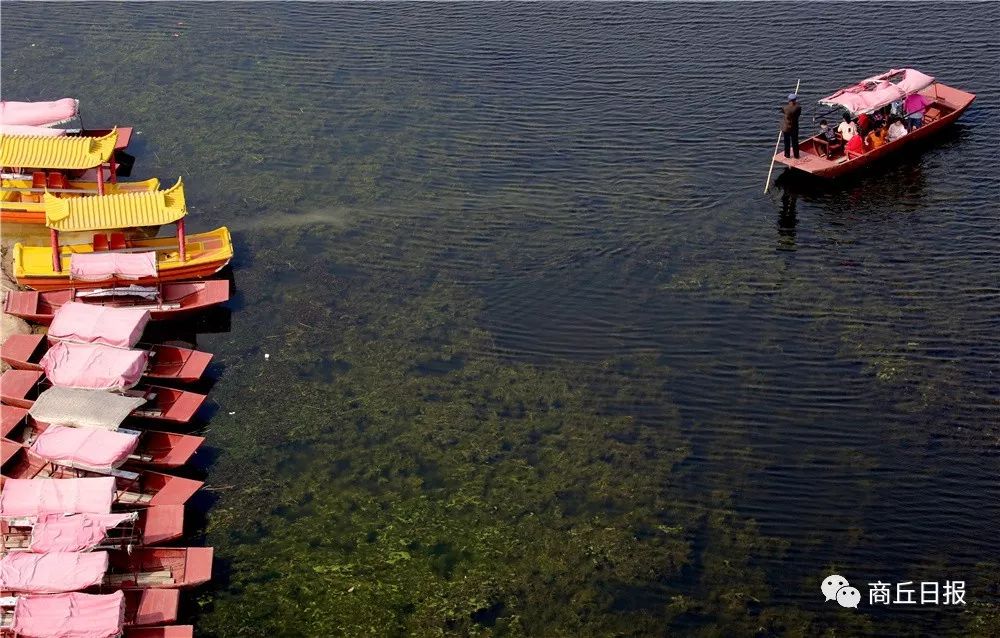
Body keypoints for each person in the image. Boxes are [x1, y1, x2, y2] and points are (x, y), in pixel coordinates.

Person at [780, 93, 801, 159]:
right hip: (794, 128)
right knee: (795, 142)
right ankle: (796, 155)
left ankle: (787, 155)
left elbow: (783, 111)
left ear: (789, 100)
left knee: (786, 142)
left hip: (786, 128)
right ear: (795, 100)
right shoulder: (798, 108)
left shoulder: (785, 108)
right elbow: (798, 114)